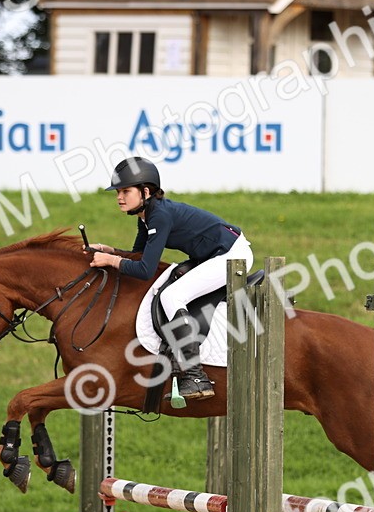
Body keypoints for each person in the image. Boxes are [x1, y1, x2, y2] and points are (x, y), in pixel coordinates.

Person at [89, 157, 253, 401]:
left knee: (171, 296)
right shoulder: (147, 215)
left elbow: (145, 270)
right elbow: (138, 256)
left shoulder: (159, 216)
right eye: (118, 192)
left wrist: (111, 261)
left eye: (125, 191)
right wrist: (110, 251)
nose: (119, 197)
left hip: (231, 256)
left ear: (145, 192)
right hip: (215, 254)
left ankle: (195, 376)